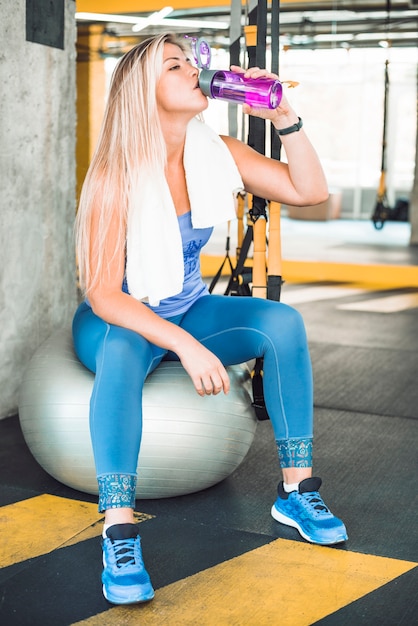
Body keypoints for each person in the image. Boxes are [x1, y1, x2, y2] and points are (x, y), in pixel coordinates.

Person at [72, 33, 347, 606]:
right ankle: (118, 529)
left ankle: (296, 491)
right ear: (143, 94)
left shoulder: (215, 152)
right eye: (175, 65)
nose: (193, 70)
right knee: (124, 346)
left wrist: (285, 116)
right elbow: (102, 294)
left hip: (188, 306)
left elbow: (311, 190)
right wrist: (187, 347)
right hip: (120, 321)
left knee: (284, 323)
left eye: (189, 60)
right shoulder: (112, 177)